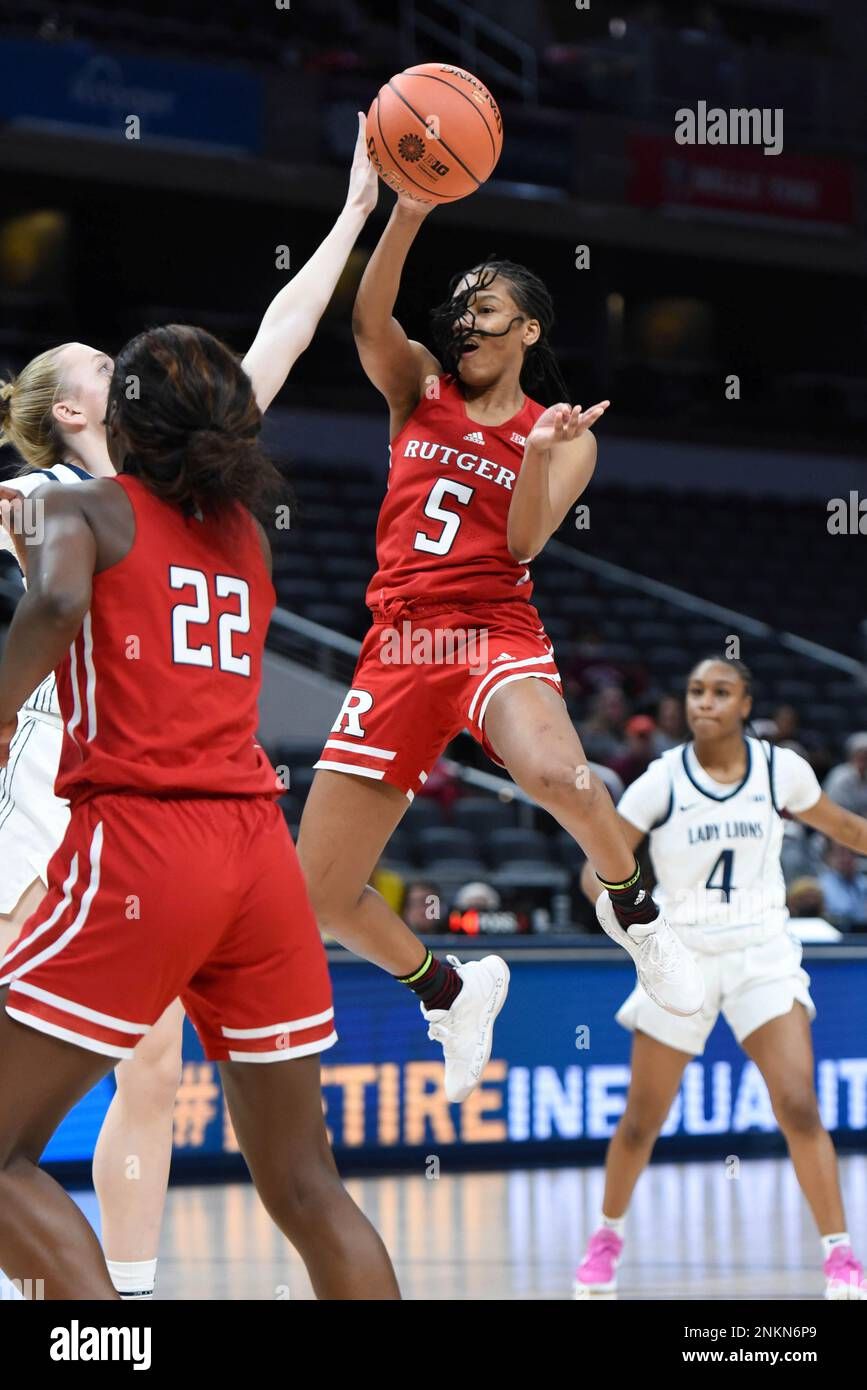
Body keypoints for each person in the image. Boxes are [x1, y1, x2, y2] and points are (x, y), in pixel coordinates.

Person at [0, 113, 380, 1298]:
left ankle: (103, 1329)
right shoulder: (232, 521)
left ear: (122, 422)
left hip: (134, 831)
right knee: (305, 1181)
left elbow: (59, 596)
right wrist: (368, 210)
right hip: (250, 843)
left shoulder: (82, 510)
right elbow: (263, 349)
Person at [296, 186, 704, 1110]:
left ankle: (635, 916)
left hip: (490, 633)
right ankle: (450, 989)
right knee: (318, 895)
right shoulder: (416, 388)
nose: (463, 318)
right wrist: (406, 208)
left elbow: (520, 544)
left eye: (484, 306)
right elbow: (367, 314)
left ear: (526, 328)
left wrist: (535, 454)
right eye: (459, 305)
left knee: (563, 778)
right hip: (398, 647)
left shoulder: (560, 433)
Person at [576, 655, 867, 1300]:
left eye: (721, 691)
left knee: (797, 1104)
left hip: (762, 951)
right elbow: (598, 866)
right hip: (683, 956)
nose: (705, 702)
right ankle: (606, 1237)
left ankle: (841, 1256)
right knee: (640, 1120)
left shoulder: (777, 769)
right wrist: (620, 909)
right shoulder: (661, 781)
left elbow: (847, 829)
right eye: (696, 691)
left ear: (744, 704)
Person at [817, 843, 867, 931]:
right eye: (841, 853)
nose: (847, 858)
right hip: (834, 939)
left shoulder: (863, 884)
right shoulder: (820, 887)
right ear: (828, 857)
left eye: (851, 853)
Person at [823, 733, 867, 819]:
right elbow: (835, 809)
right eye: (860, 753)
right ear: (852, 754)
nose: (863, 757)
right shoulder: (840, 775)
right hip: (837, 823)